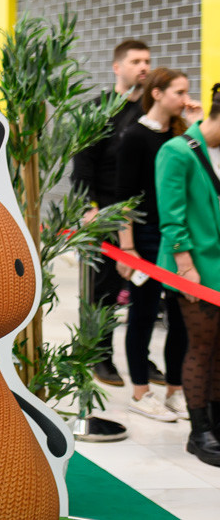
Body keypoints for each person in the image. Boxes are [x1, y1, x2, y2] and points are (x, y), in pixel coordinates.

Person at [114, 68, 193, 422]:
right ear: (158, 93)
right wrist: (127, 248)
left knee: (180, 316)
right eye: (179, 92)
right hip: (145, 237)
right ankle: (140, 392)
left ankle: (175, 389)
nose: (185, 99)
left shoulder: (182, 135)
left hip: (176, 236)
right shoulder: (134, 136)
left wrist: (194, 122)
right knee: (143, 314)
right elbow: (125, 198)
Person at [71, 39, 151, 386]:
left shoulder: (151, 111)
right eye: (136, 61)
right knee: (103, 293)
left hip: (145, 217)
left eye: (147, 61)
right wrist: (89, 210)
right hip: (105, 215)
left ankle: (141, 359)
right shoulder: (99, 109)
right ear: (117, 67)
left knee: (145, 294)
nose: (143, 67)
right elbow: (82, 167)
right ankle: (98, 355)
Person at [156, 83, 220, 466]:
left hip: (219, 265)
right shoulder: (177, 151)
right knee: (201, 346)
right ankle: (199, 432)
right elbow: (171, 215)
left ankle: (216, 423)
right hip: (193, 266)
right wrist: (186, 268)